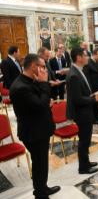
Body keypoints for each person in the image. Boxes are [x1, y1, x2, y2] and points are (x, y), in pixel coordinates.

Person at [10, 54, 60, 199]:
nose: (45, 70)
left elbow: (39, 102)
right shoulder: (20, 87)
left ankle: (42, 188)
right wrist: (45, 85)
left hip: (38, 129)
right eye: (43, 67)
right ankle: (40, 194)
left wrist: (44, 94)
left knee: (41, 163)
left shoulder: (28, 81)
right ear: (34, 67)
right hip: (34, 133)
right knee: (39, 164)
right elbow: (41, 104)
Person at [66, 47, 98, 174]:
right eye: (86, 55)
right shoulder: (74, 74)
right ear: (79, 58)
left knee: (86, 139)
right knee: (84, 140)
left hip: (85, 111)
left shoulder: (78, 71)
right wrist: (93, 100)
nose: (88, 57)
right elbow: (77, 99)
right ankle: (83, 167)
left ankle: (86, 161)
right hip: (82, 113)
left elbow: (82, 92)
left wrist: (92, 96)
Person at [83, 48, 98, 124]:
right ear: (94, 55)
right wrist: (89, 89)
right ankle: (93, 118)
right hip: (93, 87)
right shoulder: (88, 63)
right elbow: (87, 77)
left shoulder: (97, 62)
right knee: (93, 103)